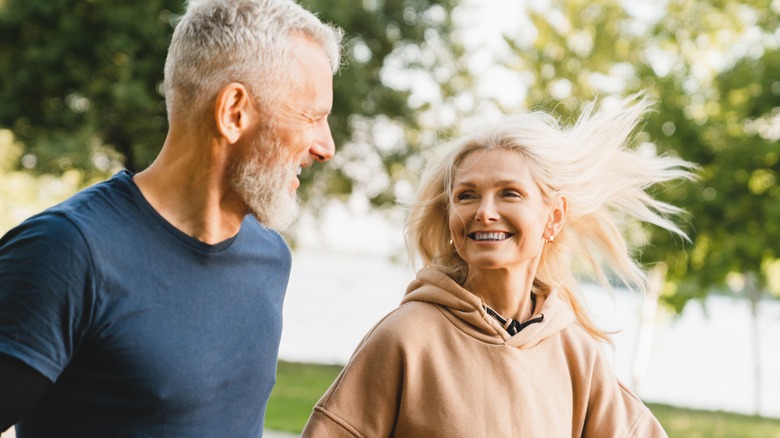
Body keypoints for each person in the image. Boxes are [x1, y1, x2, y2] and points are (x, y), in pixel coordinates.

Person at [0, 0, 342, 436]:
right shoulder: (66, 251)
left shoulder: (270, 255)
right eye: (311, 116)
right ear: (234, 112)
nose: (326, 147)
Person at [302, 95, 695, 437]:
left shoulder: (576, 353)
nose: (485, 212)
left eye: (510, 193)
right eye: (467, 195)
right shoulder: (405, 337)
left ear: (553, 217)